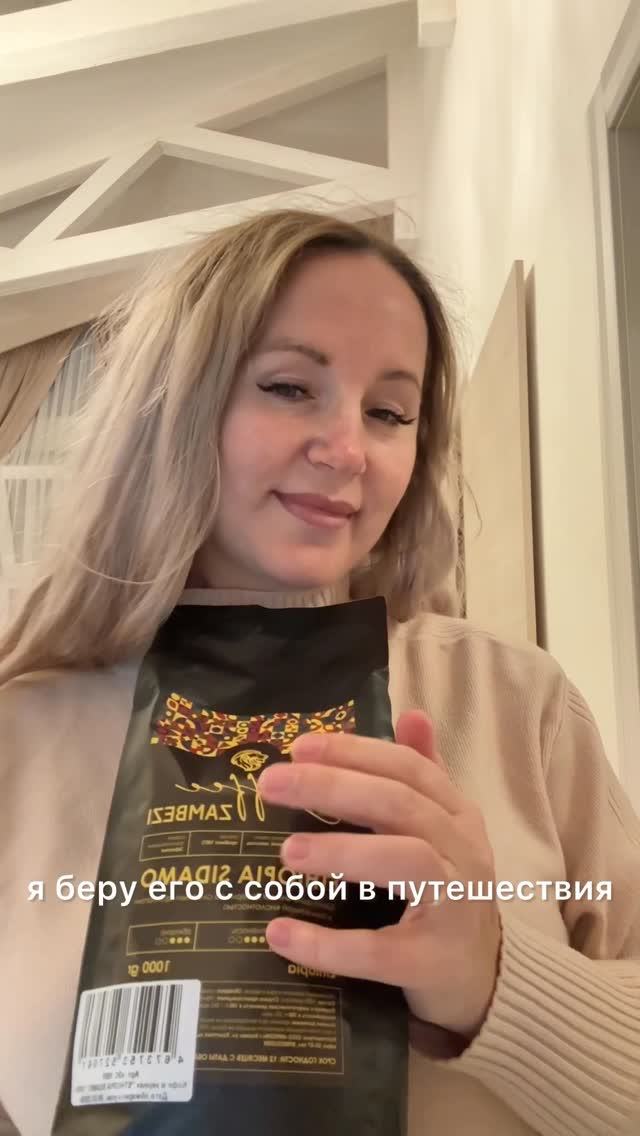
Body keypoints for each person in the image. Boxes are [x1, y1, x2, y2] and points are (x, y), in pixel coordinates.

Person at [0, 208, 638, 1136]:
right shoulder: (20, 731)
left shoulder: (512, 701)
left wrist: (499, 978)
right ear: (171, 405)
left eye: (388, 412)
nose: (347, 451)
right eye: (290, 387)